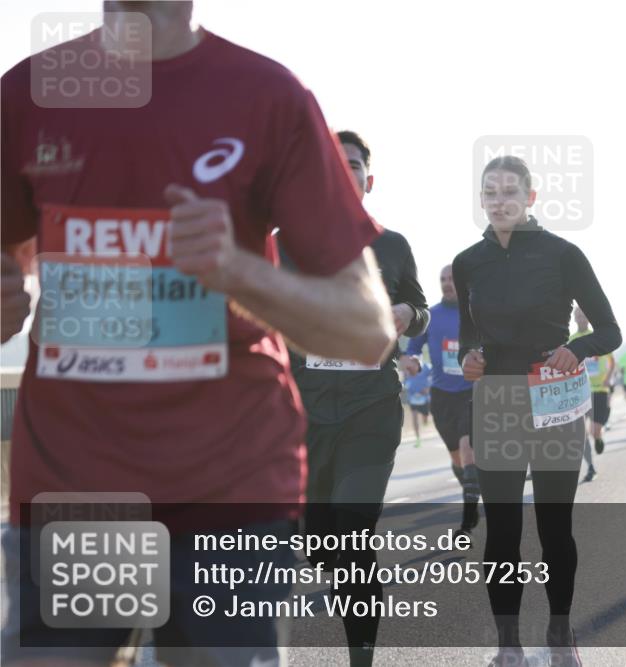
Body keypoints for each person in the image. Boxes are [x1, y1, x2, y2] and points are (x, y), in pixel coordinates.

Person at [0, 5, 396, 666]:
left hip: (228, 488)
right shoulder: (24, 94)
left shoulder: (268, 97)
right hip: (74, 486)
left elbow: (367, 330)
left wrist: (236, 269)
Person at [455, 155, 621, 667]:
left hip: (553, 395)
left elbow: (609, 331)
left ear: (530, 197)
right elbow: (467, 338)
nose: (499, 200)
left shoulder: (563, 254)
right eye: (490, 193)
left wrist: (580, 347)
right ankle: (508, 645)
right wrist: (469, 359)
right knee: (501, 528)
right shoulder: (467, 263)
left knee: (554, 526)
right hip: (498, 401)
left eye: (509, 192)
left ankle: (559, 632)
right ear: (481, 200)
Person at [285, 130, 429, 667]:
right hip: (306, 411)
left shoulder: (392, 245)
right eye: (333, 164)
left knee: (352, 531)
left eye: (354, 165)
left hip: (371, 405)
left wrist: (410, 315)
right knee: (324, 542)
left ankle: (361, 658)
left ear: (370, 178)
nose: (344, 173)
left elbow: (418, 302)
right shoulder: (283, 243)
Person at [401, 264, 480, 538]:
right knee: (457, 458)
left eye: (452, 279)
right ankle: (471, 490)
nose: (447, 283)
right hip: (442, 396)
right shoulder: (431, 316)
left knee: (467, 447)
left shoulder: (476, 314)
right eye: (443, 279)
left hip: (473, 392)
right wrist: (412, 361)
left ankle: (467, 523)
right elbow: (413, 349)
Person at [569, 306, 616, 482]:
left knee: (595, 430)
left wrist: (608, 379)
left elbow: (612, 362)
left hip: (600, 390)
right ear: (574, 319)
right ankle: (590, 468)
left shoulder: (598, 338)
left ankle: (599, 437)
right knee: (582, 434)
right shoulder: (571, 340)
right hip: (580, 392)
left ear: (589, 318)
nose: (581, 318)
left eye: (583, 315)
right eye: (578, 316)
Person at [405, 364, 432, 446]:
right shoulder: (407, 368)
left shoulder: (426, 367)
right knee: (414, 418)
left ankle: (426, 421)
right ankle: (418, 438)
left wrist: (427, 389)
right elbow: (406, 382)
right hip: (413, 399)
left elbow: (433, 377)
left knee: (425, 420)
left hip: (424, 399)